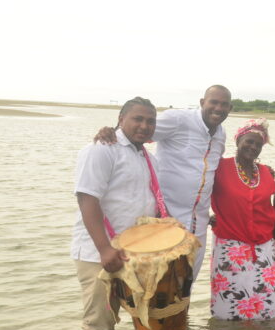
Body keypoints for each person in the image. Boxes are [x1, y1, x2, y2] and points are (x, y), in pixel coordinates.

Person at [94, 85, 233, 280]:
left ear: (230, 108)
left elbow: (213, 171)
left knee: (186, 287)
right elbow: (137, 132)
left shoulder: (221, 134)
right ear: (202, 102)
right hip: (166, 222)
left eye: (224, 104)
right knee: (159, 288)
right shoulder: (178, 120)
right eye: (214, 102)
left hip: (199, 225)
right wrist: (111, 131)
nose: (218, 108)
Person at [72, 97, 164, 330]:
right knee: (98, 327)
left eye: (150, 121)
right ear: (121, 119)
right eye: (138, 118)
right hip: (99, 253)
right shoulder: (101, 149)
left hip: (132, 254)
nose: (144, 126)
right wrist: (104, 249)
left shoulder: (148, 158)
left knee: (143, 318)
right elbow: (87, 198)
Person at [209, 118, 275, 320]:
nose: (253, 147)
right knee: (230, 310)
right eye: (249, 141)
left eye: (258, 145)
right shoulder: (219, 168)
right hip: (230, 248)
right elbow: (197, 192)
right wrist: (207, 217)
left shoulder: (266, 172)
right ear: (238, 140)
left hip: (264, 248)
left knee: (268, 309)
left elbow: (270, 206)